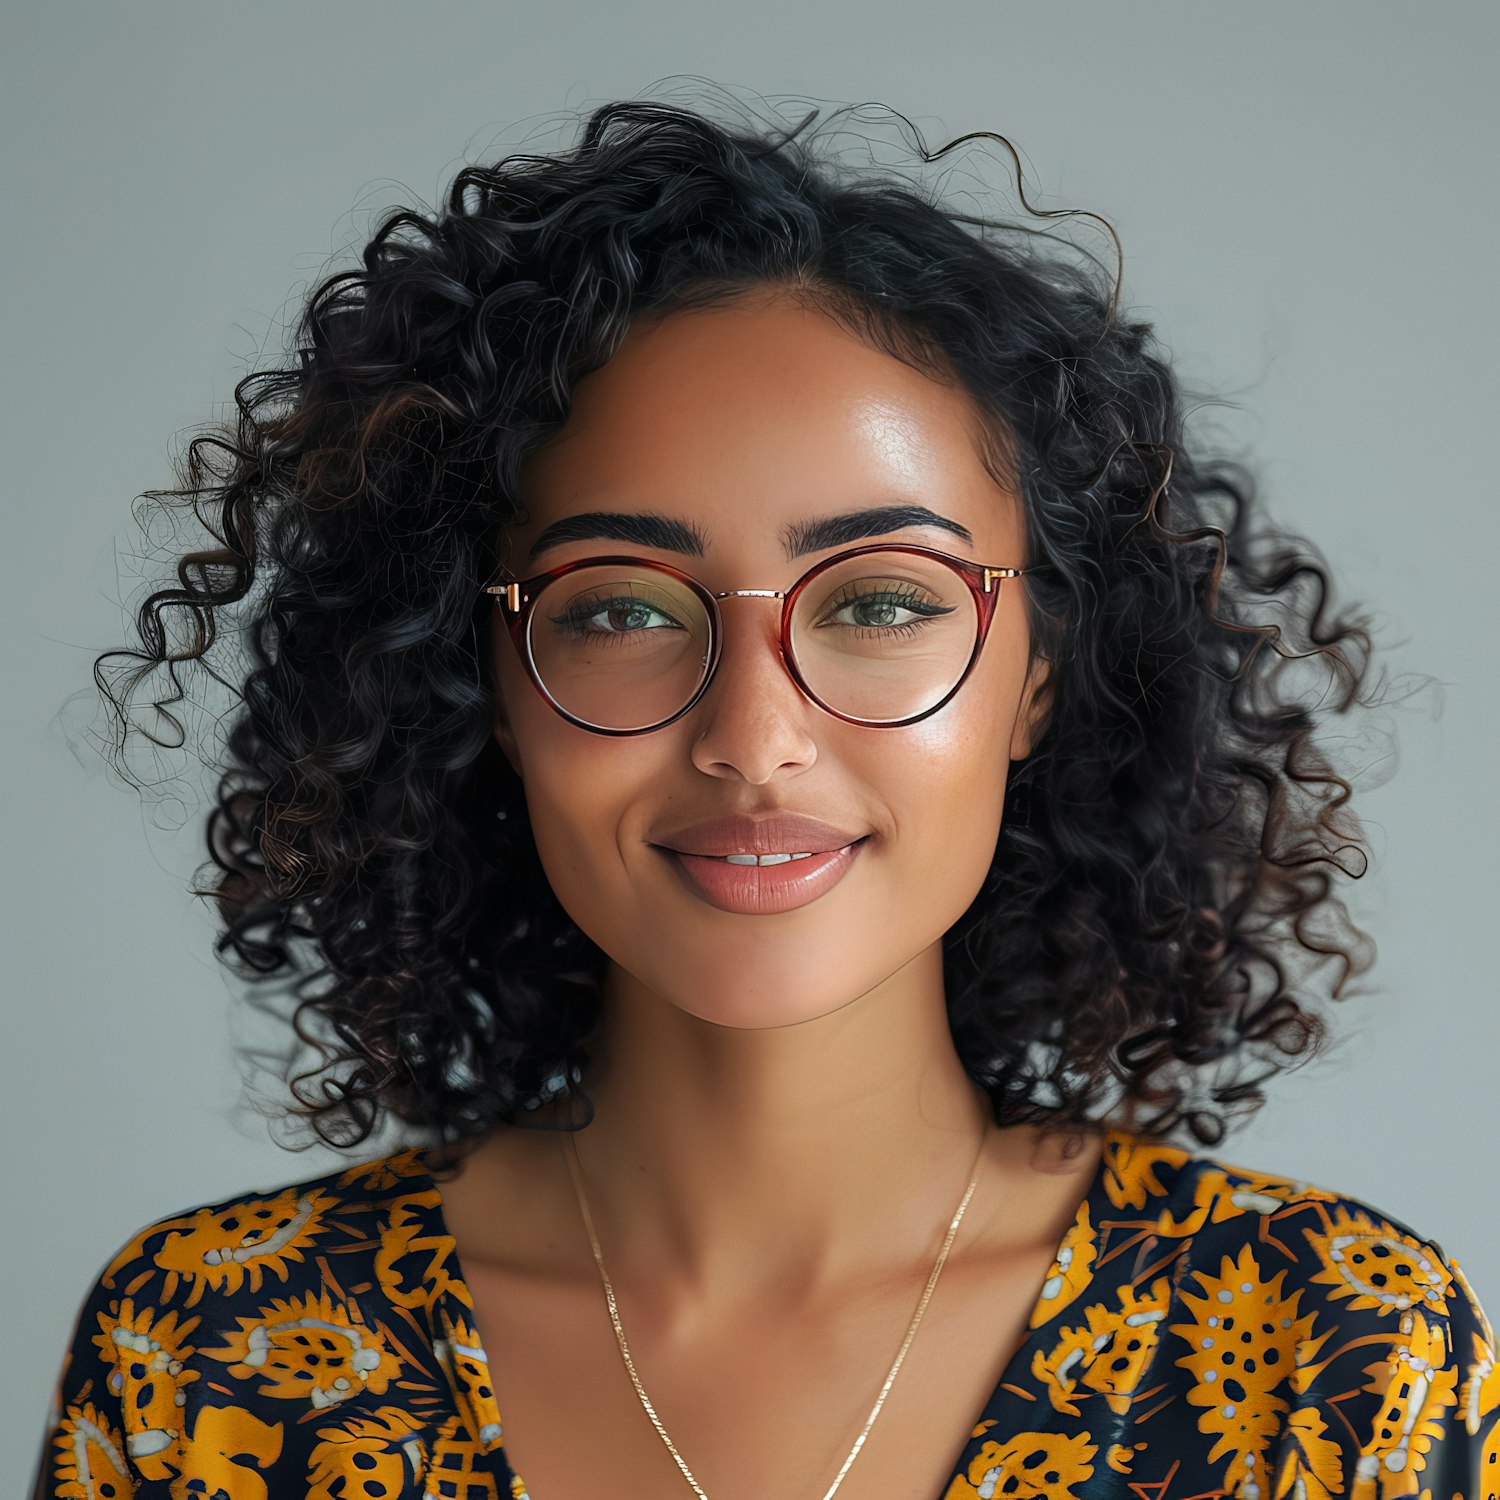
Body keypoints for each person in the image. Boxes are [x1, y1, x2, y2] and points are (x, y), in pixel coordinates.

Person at [30, 94, 1496, 1499]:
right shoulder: (205, 1365)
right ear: (473, 674)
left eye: (875, 600)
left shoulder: (1336, 1364)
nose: (753, 735)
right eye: (619, 610)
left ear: (1041, 672)